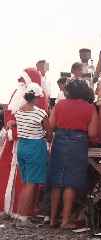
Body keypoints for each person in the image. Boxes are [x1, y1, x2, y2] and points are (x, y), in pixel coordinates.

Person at [48, 80, 98, 229]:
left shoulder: (59, 105)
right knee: (70, 182)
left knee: (57, 181)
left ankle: (52, 220)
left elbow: (50, 126)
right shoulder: (90, 108)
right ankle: (64, 221)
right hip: (78, 142)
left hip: (60, 140)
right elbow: (93, 133)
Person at [0, 68, 49, 218]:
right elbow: (47, 128)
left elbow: (9, 120)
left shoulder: (19, 105)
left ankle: (12, 210)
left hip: (17, 145)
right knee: (29, 182)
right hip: (33, 145)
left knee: (21, 179)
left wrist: (12, 131)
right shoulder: (39, 107)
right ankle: (22, 214)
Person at [9, 83, 51, 228]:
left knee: (27, 183)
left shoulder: (19, 111)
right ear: (37, 97)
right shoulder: (40, 113)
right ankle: (23, 218)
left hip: (22, 146)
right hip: (35, 147)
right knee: (31, 184)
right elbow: (49, 133)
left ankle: (20, 215)